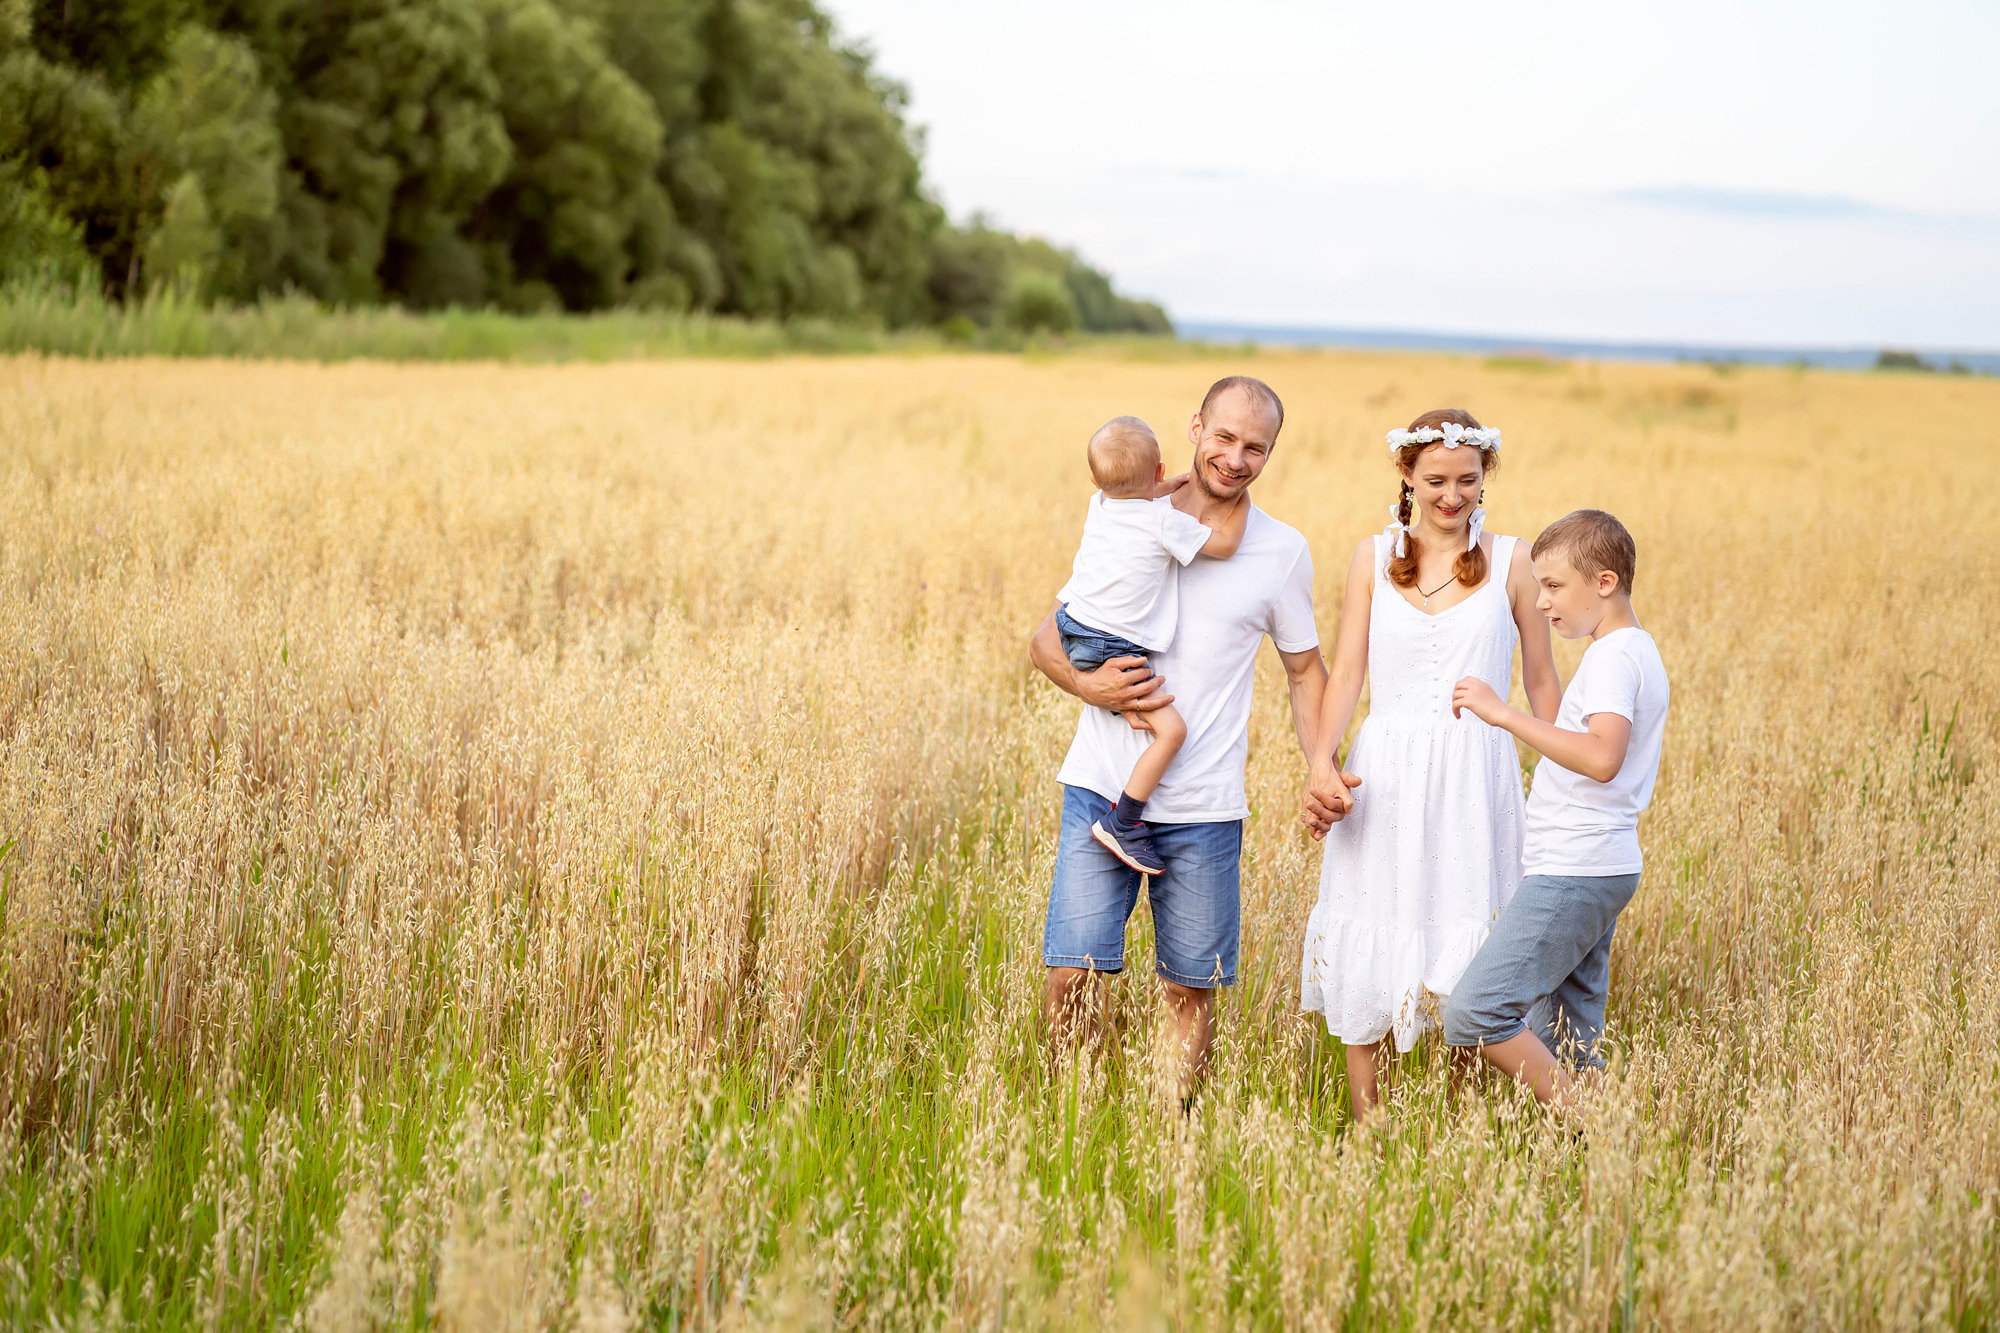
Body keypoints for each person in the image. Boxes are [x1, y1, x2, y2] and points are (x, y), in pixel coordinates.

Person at [1027, 376, 1331, 1099]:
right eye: (1224, 437)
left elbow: (1305, 671)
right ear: (1195, 427)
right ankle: (1068, 1123)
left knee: (1189, 991)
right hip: (1100, 787)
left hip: (1203, 808)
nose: (1235, 457)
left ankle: (1172, 1136)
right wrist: (1089, 686)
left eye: (1255, 447)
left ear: (1271, 453)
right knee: (1070, 975)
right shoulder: (1127, 515)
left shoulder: (1281, 552)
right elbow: (1046, 641)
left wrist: (1322, 762)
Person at [1298, 408, 1561, 1123]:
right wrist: (1323, 761)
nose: (1452, 495)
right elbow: (1347, 669)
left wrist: (1565, 777)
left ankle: (1463, 1114)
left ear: (1486, 479)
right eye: (1436, 479)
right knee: (1371, 921)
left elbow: (1541, 678)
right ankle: (1370, 1120)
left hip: (1477, 776)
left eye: (1467, 480)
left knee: (1470, 936)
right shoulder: (1372, 556)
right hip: (1383, 771)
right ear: (1407, 476)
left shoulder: (1515, 559)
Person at [1443, 509, 1670, 1110]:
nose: (1542, 603)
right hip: (1594, 865)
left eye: (1553, 586)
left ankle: (1599, 1124)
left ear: (1603, 582)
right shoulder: (1632, 651)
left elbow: (1602, 757)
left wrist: (1504, 714)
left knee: (1476, 1012)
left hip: (1577, 867)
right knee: (1566, 1035)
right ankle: (1596, 1168)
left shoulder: (1614, 659)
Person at [1054, 415, 1249, 875]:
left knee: (1140, 711)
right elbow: (1225, 545)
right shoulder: (1164, 524)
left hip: (1073, 628)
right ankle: (1123, 820)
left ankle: (1127, 713)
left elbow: (1132, 496)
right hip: (1113, 649)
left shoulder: (1098, 504)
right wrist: (1239, 499)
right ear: (1160, 473)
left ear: (1095, 479)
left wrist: (1160, 486)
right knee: (1172, 732)